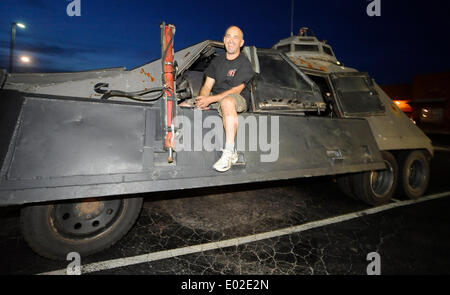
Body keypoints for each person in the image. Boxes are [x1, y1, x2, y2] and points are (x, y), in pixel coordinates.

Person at [179, 26, 255, 172]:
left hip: (236, 99)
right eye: (228, 36)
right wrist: (202, 100)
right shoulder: (217, 62)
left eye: (235, 37)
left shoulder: (244, 63)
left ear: (241, 43)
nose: (231, 40)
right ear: (224, 39)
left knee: (227, 102)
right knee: (184, 105)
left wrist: (210, 100)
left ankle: (229, 152)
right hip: (215, 98)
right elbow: (207, 85)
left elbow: (235, 91)